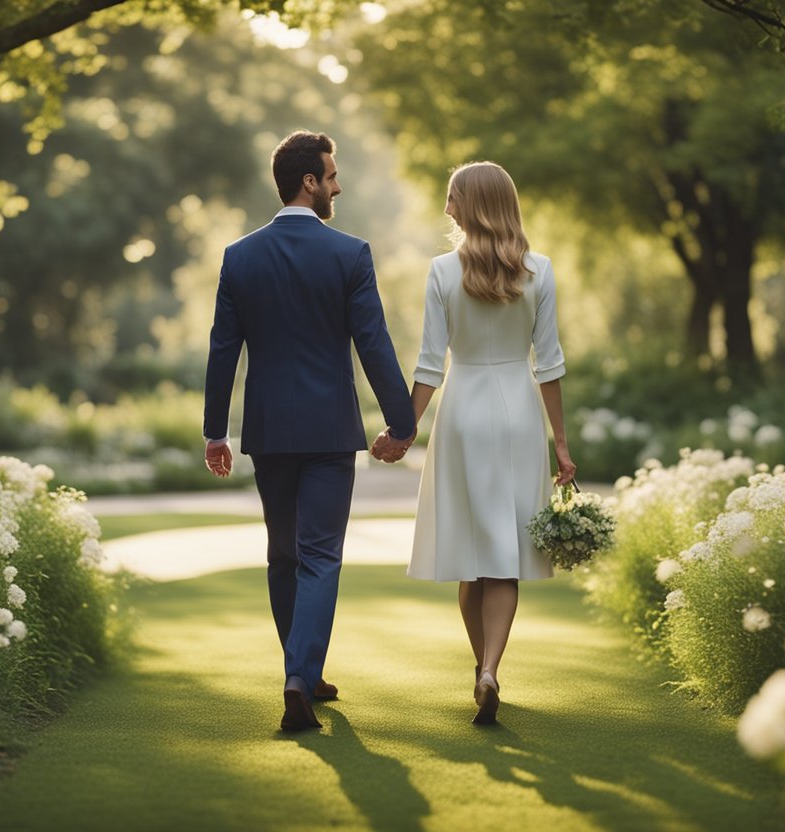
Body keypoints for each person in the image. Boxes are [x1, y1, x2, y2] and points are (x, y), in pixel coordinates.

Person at [203, 130, 417, 733]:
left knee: (282, 555)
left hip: (269, 429)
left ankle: (303, 671)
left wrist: (215, 430)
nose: (338, 185)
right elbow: (373, 345)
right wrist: (402, 423)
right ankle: (300, 676)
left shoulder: (238, 256)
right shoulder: (349, 254)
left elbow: (224, 351)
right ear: (309, 182)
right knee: (320, 556)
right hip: (328, 430)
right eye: (332, 174)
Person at [372, 161, 576, 725]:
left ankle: (483, 672)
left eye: (451, 197)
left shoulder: (441, 271)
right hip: (517, 416)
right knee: (503, 554)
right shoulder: (540, 270)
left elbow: (430, 366)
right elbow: (550, 365)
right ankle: (489, 667)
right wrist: (562, 443)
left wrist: (402, 432)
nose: (446, 209)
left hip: (462, 413)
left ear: (473, 203)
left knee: (469, 554)